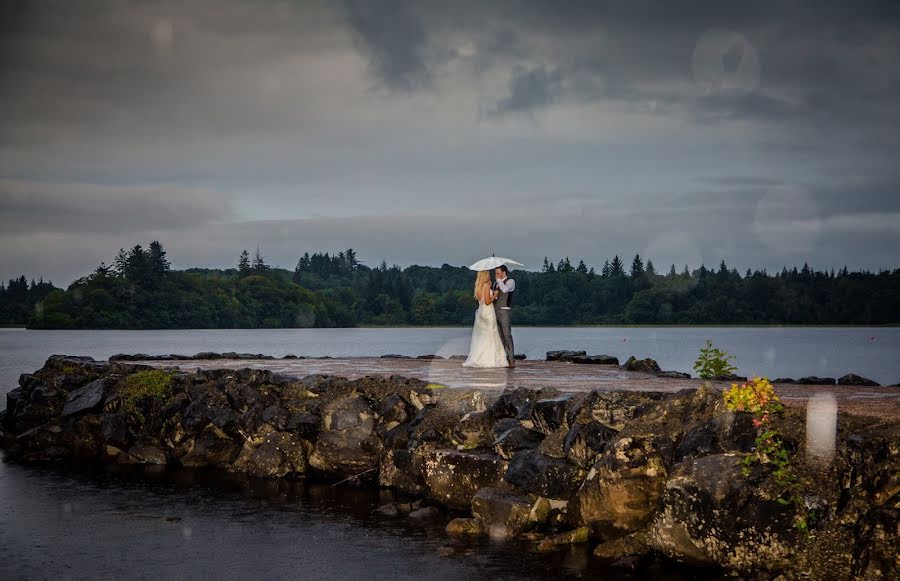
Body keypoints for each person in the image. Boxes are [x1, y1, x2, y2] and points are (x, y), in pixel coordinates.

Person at [462, 270, 508, 368]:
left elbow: (482, 300)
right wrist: (495, 294)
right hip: (488, 312)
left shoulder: (478, 287)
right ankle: (490, 359)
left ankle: (479, 357)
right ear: (485, 275)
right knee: (491, 334)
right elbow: (487, 301)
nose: (489, 275)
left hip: (481, 312)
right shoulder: (486, 286)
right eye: (487, 274)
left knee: (482, 336)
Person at [492, 265, 516, 368]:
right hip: (494, 311)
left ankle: (511, 359)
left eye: (498, 273)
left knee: (507, 335)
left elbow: (505, 290)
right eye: (495, 273)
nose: (496, 275)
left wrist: (499, 281)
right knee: (499, 336)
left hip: (505, 311)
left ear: (504, 272)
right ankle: (503, 358)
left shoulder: (510, 281)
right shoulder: (495, 283)